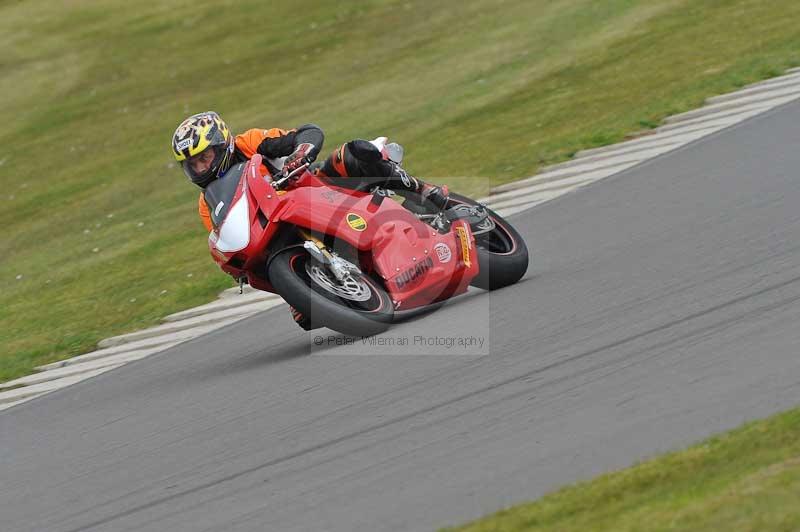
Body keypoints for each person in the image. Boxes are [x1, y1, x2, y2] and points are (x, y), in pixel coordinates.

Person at [171, 111, 449, 329]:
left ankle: (424, 191)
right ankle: (324, 280)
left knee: (352, 155)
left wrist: (301, 152)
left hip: (314, 189)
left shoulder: (250, 142)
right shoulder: (208, 205)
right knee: (305, 317)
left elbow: (308, 132)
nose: (200, 168)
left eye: (204, 157)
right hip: (278, 232)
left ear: (222, 145)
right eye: (192, 165)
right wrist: (289, 288)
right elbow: (235, 237)